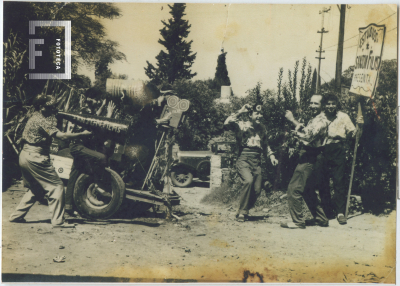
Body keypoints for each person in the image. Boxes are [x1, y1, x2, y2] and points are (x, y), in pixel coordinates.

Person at [9, 94, 92, 228]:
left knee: (36, 188)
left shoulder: (36, 117)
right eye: (50, 107)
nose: (53, 109)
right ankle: (58, 221)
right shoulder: (41, 121)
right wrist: (82, 134)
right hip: (35, 157)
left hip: (25, 155)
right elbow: (62, 136)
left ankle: (16, 216)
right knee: (56, 187)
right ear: (41, 107)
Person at [281, 94, 330, 229]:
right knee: (307, 189)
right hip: (311, 156)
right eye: (311, 103)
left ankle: (298, 221)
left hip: (310, 157)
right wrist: (299, 129)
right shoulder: (315, 119)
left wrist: (293, 120)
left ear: (322, 106)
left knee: (293, 189)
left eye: (316, 104)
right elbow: (307, 133)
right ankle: (321, 219)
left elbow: (308, 135)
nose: (312, 106)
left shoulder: (321, 120)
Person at [224, 104, 278, 222]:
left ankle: (244, 210)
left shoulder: (262, 128)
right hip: (243, 158)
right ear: (250, 115)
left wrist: (271, 156)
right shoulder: (241, 125)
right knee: (248, 181)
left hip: (256, 160)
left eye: (260, 113)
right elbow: (227, 123)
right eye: (256, 113)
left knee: (257, 189)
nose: (259, 115)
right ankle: (243, 212)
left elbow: (265, 145)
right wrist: (241, 110)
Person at [65, 91, 116, 216]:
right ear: (89, 99)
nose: (98, 102)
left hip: (79, 146)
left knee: (74, 176)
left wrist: (103, 107)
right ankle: (98, 184)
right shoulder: (85, 110)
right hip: (78, 146)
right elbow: (98, 126)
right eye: (96, 100)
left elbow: (95, 117)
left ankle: (68, 207)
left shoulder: (86, 109)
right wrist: (109, 114)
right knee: (101, 158)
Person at [318, 92, 360, 225]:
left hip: (338, 150)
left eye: (333, 104)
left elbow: (353, 133)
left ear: (336, 104)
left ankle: (340, 212)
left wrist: (359, 126)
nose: (330, 106)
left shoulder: (343, 116)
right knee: (323, 181)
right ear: (324, 105)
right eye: (328, 104)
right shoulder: (320, 117)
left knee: (339, 181)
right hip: (323, 150)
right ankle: (327, 211)